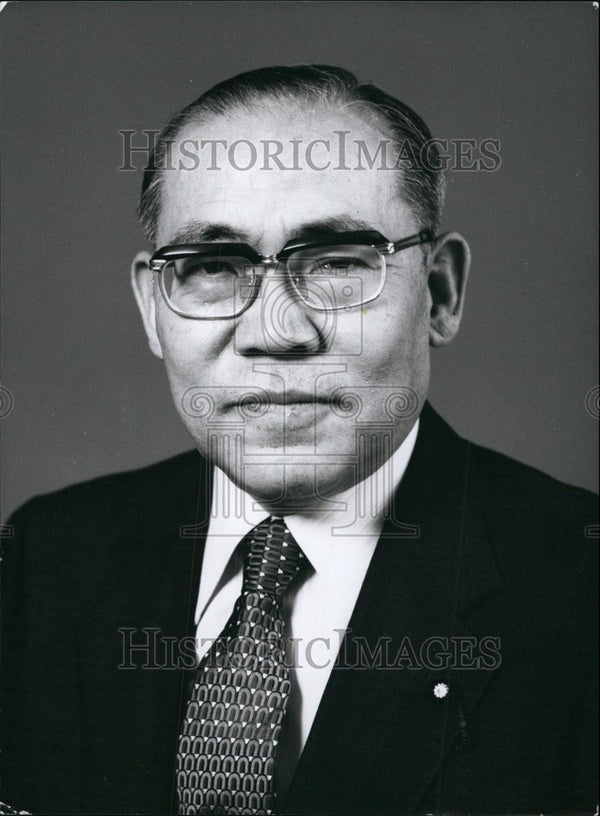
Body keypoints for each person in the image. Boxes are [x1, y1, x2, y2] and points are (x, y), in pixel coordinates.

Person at [1, 65, 597, 816]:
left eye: (339, 263)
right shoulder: (44, 558)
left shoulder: (578, 588)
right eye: (213, 267)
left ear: (440, 293)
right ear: (153, 309)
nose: (276, 332)